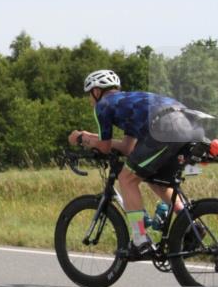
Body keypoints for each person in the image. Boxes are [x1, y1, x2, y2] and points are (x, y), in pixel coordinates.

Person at [69, 70, 210, 256]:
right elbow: (128, 147)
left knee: (126, 179)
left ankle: (140, 240)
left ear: (96, 91)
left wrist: (81, 139)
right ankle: (191, 226)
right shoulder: (130, 104)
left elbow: (104, 147)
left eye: (89, 95)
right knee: (154, 178)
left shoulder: (103, 105)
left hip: (165, 127)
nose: (90, 100)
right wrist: (92, 137)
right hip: (188, 124)